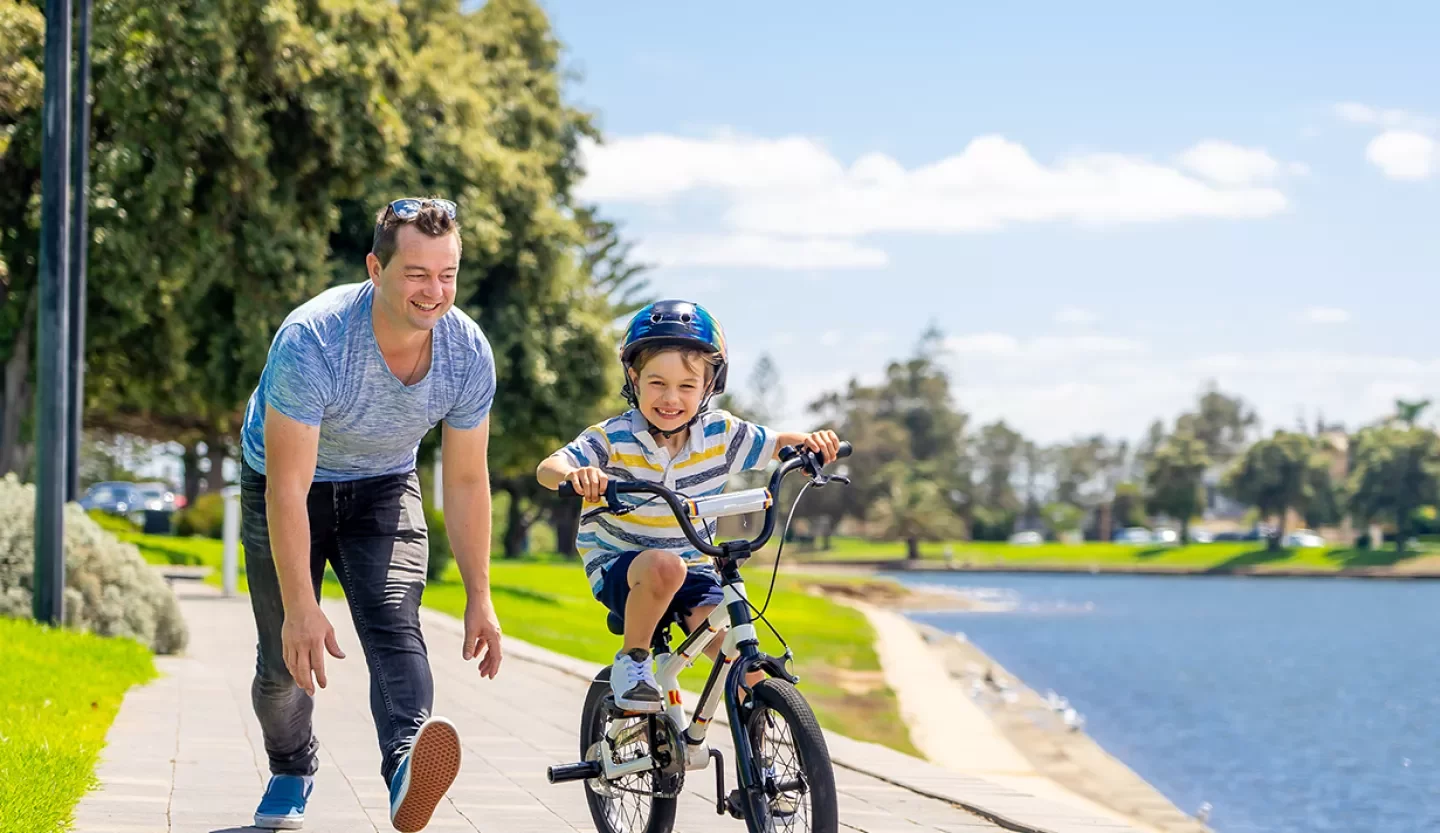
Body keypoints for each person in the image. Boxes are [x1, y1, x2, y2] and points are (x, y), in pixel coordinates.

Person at [237, 197, 503, 832]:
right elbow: (288, 487)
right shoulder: (314, 341)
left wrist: (480, 594)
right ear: (375, 269)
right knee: (283, 664)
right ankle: (291, 765)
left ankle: (408, 763)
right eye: (416, 273)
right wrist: (302, 607)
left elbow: (466, 479)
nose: (434, 292)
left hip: (384, 483)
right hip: (284, 485)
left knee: (392, 619)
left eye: (447, 274)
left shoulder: (467, 353)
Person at [534, 300, 842, 713]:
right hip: (621, 566)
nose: (671, 398)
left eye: (687, 386)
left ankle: (764, 754)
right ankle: (634, 662)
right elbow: (548, 467)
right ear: (634, 378)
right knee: (665, 567)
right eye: (657, 383)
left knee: (740, 660)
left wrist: (811, 445)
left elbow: (778, 443)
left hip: (693, 566)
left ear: (709, 386)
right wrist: (576, 476)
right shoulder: (612, 438)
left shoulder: (721, 433)